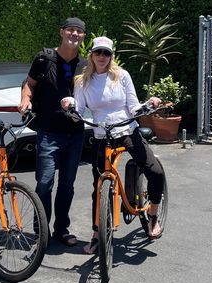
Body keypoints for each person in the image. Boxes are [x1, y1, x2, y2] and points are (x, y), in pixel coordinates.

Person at [61, 36, 165, 254]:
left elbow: (134, 106)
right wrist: (69, 105)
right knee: (98, 187)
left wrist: (148, 105)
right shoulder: (82, 82)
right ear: (91, 55)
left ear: (111, 56)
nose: (102, 57)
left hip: (127, 130)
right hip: (101, 134)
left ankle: (153, 214)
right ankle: (97, 234)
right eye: (98, 52)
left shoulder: (122, 76)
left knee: (155, 172)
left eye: (106, 53)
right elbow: (78, 111)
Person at [18, 17, 87, 247]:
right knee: (45, 183)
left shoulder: (85, 66)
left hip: (75, 132)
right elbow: (28, 84)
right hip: (48, 131)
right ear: (62, 32)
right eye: (70, 30)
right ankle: (41, 230)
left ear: (83, 36)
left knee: (67, 184)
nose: (74, 34)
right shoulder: (44, 58)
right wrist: (25, 101)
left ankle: (61, 230)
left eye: (79, 31)